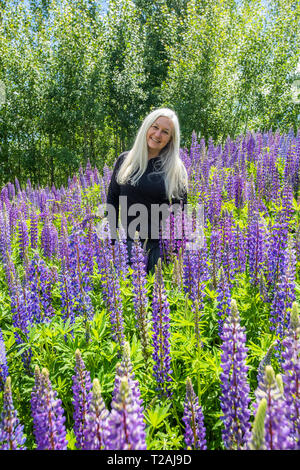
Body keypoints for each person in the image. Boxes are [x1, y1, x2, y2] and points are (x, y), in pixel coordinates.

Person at [105, 107, 188, 273]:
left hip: (159, 249)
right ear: (146, 127)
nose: (157, 135)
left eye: (165, 132)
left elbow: (181, 214)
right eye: (155, 127)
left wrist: (175, 253)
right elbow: (112, 202)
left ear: (171, 139)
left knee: (155, 297)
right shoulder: (125, 160)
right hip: (126, 246)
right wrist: (112, 243)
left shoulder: (175, 169)